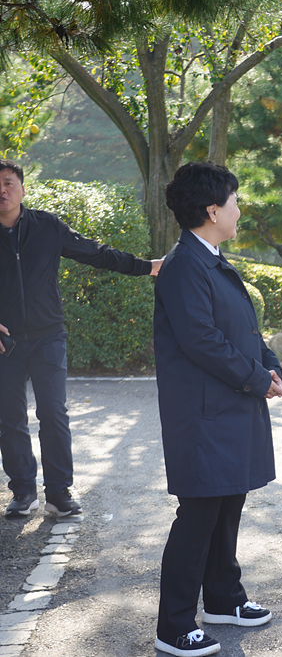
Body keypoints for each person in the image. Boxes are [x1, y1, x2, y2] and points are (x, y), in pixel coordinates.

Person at [153, 161, 282, 657]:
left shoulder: (209, 257)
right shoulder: (185, 265)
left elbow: (244, 330)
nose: (238, 209)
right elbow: (202, 342)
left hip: (228, 406)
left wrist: (269, 364)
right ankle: (173, 626)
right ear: (212, 210)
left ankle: (225, 598)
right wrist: (257, 379)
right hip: (204, 413)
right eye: (233, 201)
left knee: (228, 502)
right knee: (199, 513)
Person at [0, 159, 161, 519]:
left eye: (9, 183)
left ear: (23, 189)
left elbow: (96, 253)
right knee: (9, 418)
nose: (3, 191)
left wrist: (145, 266)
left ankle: (58, 492)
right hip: (5, 344)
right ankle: (22, 491)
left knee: (53, 413)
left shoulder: (47, 227)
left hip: (48, 338)